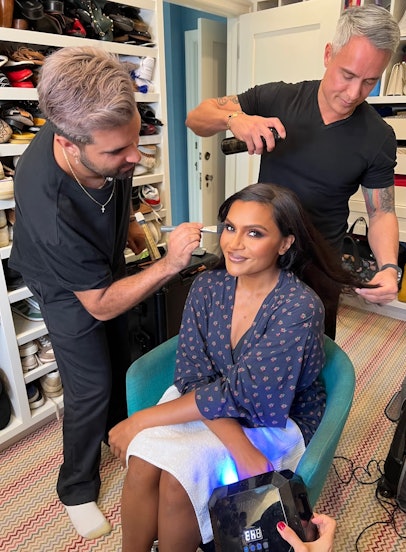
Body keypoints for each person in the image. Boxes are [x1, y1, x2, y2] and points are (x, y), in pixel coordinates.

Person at [108, 183, 370, 551]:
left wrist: (140, 418)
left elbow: (247, 395)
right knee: (144, 460)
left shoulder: (299, 308)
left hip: (274, 417)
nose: (234, 243)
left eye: (255, 233)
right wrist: (232, 445)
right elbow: (191, 375)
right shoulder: (207, 286)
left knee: (178, 476)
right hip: (208, 401)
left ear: (285, 243)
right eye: (230, 227)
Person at [9, 46, 203, 540]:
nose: (134, 156)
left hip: (101, 254)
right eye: (117, 152)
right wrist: (169, 263)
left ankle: (120, 431)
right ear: (69, 144)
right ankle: (74, 486)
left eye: (135, 138)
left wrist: (133, 221)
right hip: (63, 280)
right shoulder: (51, 203)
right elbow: (97, 302)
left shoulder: (108, 134)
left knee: (122, 352)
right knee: (90, 383)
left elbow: (121, 172)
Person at [185, 4, 402, 339]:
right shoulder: (278, 98)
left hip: (320, 266)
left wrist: (388, 267)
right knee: (245, 344)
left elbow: (382, 212)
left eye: (369, 82)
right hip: (261, 255)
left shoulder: (379, 137)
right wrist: (233, 119)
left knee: (310, 362)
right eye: (348, 75)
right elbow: (197, 118)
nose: (354, 93)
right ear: (329, 54)